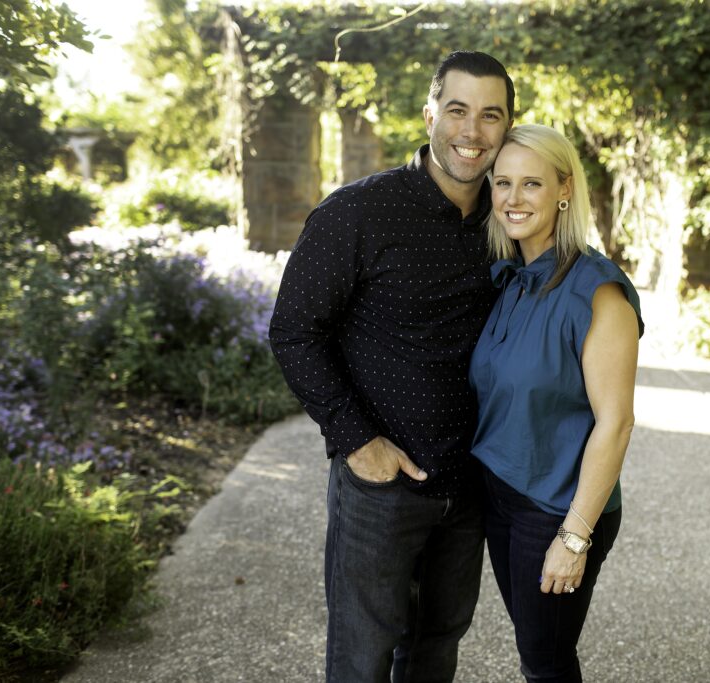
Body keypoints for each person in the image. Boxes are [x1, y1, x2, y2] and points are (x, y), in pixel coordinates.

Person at [268, 51, 514, 682]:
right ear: (430, 114)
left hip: (468, 483)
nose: (472, 131)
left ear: (507, 128)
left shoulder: (508, 221)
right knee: (362, 655)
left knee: (437, 647)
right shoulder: (358, 212)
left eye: (491, 116)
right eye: (458, 110)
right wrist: (356, 442)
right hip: (382, 483)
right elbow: (295, 331)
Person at [468, 124, 644, 682]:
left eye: (532, 184)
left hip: (555, 509)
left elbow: (616, 423)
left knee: (546, 664)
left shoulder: (598, 292)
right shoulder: (509, 279)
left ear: (564, 189)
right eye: (502, 183)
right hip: (499, 495)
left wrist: (574, 537)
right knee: (535, 652)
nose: (513, 199)